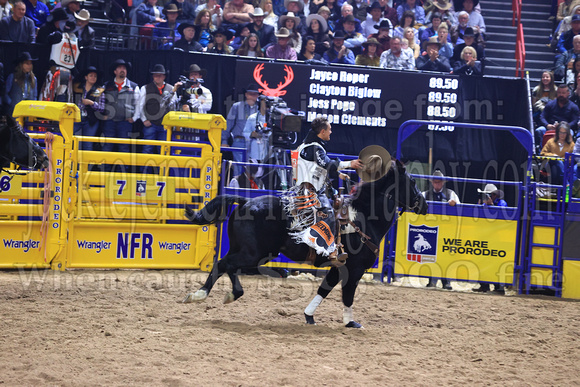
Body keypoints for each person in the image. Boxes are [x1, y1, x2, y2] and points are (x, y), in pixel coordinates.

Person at [292, 116, 363, 264]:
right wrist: (351, 164)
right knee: (329, 213)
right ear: (323, 131)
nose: (331, 132)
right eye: (329, 129)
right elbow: (327, 164)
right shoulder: (314, 147)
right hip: (309, 192)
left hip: (310, 189)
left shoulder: (310, 146)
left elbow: (318, 168)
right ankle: (330, 249)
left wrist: (338, 174)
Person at [422, 169, 459, 289]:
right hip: (430, 230)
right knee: (431, 255)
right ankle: (432, 280)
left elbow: (461, 209)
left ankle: (446, 281)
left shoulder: (451, 194)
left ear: (443, 183)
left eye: (439, 182)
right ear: (432, 182)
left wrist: (454, 205)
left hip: (446, 230)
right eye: (435, 182)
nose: (437, 184)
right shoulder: (424, 195)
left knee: (445, 255)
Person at [38, 7, 79, 103]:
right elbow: (43, 47)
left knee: (62, 96)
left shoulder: (66, 33)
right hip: (50, 69)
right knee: (48, 94)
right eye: (63, 21)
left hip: (64, 69)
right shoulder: (46, 29)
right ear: (57, 21)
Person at [101, 59, 140, 153]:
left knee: (124, 147)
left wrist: (134, 118)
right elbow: (99, 100)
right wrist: (101, 114)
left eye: (124, 68)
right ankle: (105, 167)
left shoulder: (134, 86)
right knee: (107, 146)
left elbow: (138, 104)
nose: (122, 70)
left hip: (125, 122)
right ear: (115, 71)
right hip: (109, 121)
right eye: (120, 68)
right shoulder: (106, 85)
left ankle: (122, 168)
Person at [475, 183, 507, 294]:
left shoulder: (502, 203)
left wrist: (491, 205)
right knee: (481, 259)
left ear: (494, 195)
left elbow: (503, 215)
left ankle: (499, 287)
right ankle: (484, 285)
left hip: (497, 237)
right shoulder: (482, 203)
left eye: (488, 195)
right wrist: (480, 206)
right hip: (484, 235)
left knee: (496, 261)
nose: (487, 197)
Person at [223, 84, 260, 173]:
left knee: (253, 169)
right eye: (250, 94)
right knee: (239, 168)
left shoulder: (260, 109)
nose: (252, 96)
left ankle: (250, 186)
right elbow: (228, 124)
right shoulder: (237, 106)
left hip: (254, 142)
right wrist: (224, 141)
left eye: (255, 94)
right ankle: (238, 186)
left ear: (258, 96)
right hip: (239, 140)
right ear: (246, 94)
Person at [139, 64, 173, 155]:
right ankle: (144, 169)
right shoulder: (145, 88)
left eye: (160, 75)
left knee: (163, 151)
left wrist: (170, 123)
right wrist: (144, 119)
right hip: (151, 124)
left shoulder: (171, 89)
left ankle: (163, 170)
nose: (158, 77)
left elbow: (173, 107)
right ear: (153, 76)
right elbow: (140, 105)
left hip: (165, 125)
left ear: (164, 76)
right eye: (155, 75)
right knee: (147, 149)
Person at [535, 84, 580, 150]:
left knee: (571, 132)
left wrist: (564, 127)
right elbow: (542, 116)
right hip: (550, 128)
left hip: (566, 129)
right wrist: (547, 125)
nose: (561, 95)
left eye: (563, 93)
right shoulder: (550, 104)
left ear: (568, 93)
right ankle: (540, 153)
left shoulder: (573, 107)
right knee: (539, 130)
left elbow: (575, 121)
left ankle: (566, 153)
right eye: (559, 93)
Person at [72, 66, 105, 151]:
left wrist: (92, 103)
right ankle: (76, 164)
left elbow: (102, 108)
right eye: (91, 75)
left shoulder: (99, 90)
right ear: (86, 77)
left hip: (91, 120)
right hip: (77, 118)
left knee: (87, 144)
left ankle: (87, 164)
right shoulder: (77, 87)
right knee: (75, 142)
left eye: (95, 76)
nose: (93, 77)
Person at [540, 121, 575, 185]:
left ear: (567, 134)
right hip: (549, 163)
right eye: (560, 132)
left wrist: (560, 159)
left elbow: (571, 159)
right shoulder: (551, 141)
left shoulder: (571, 144)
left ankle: (555, 190)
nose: (562, 135)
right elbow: (542, 153)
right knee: (557, 162)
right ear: (557, 132)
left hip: (564, 165)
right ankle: (566, 183)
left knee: (556, 168)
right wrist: (553, 155)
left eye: (564, 133)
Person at [4, 52, 38, 117]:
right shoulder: (13, 77)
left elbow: (34, 95)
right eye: (27, 63)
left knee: (27, 125)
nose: (29, 66)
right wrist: (11, 103)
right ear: (21, 65)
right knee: (16, 126)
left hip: (28, 110)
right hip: (14, 111)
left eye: (30, 63)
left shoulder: (33, 79)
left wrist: (33, 105)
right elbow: (5, 93)